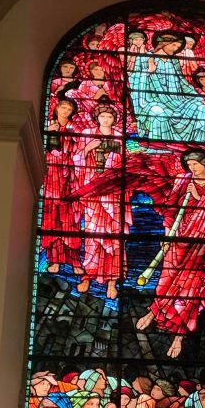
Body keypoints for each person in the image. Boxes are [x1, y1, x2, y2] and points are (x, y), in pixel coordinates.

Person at [135, 148, 205, 358]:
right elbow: (170, 209)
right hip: (178, 238)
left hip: (200, 245)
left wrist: (197, 197)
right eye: (190, 164)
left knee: (190, 289)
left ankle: (179, 336)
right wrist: (167, 235)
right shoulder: (183, 180)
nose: (192, 168)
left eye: (196, 164)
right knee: (166, 280)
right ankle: (153, 312)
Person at [129, 30, 205, 144]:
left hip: (178, 101)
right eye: (174, 45)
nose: (175, 48)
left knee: (201, 108)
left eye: (178, 46)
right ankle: (161, 147)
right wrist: (148, 72)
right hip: (152, 101)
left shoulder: (174, 61)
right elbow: (133, 80)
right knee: (158, 112)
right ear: (163, 43)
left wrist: (204, 103)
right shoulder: (145, 58)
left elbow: (183, 83)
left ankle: (197, 145)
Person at [74, 104, 129, 299]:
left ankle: (112, 281)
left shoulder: (120, 137)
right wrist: (88, 148)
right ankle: (88, 274)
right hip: (94, 192)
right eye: (103, 116)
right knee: (93, 235)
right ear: (97, 118)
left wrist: (115, 160)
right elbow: (76, 160)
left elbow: (126, 165)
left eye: (109, 116)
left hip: (113, 193)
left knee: (114, 238)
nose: (106, 119)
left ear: (115, 119)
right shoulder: (88, 133)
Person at [41, 98, 84, 275]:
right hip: (52, 177)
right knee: (52, 221)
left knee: (70, 221)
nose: (66, 110)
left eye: (69, 108)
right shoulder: (48, 127)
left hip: (70, 179)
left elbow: (80, 150)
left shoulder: (76, 129)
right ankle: (55, 260)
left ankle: (75, 262)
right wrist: (49, 134)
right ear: (56, 108)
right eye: (63, 107)